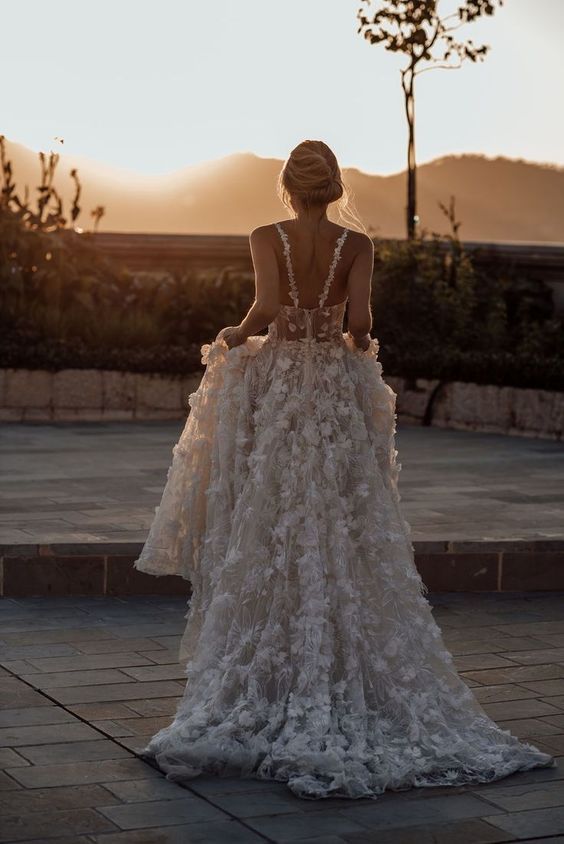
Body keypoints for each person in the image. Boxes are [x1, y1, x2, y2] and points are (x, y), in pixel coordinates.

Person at [133, 140, 555, 800]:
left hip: (281, 393)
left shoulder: (263, 235)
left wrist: (234, 338)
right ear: (331, 188)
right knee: (343, 518)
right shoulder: (356, 245)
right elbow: (361, 325)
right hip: (330, 394)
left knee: (272, 519)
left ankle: (270, 672)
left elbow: (266, 311)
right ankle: (334, 663)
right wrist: (350, 341)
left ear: (287, 187)